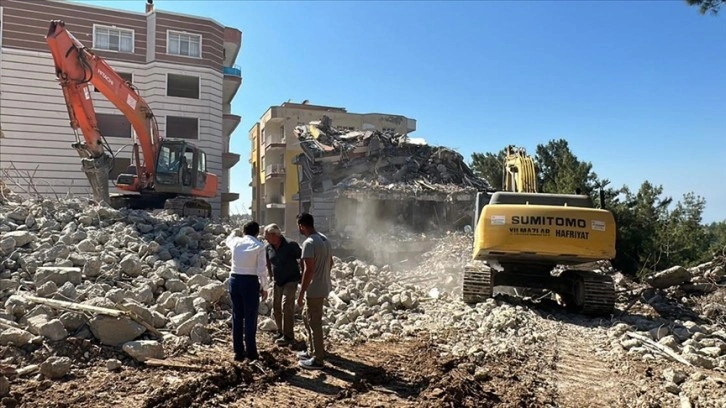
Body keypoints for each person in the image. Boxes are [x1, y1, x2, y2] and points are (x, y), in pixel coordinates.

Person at [225, 221, 269, 362]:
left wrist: (233, 232)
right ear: (257, 233)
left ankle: (238, 352)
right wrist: (265, 287)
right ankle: (251, 352)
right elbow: (262, 270)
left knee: (237, 316)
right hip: (250, 282)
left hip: (234, 280)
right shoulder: (259, 246)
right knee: (250, 317)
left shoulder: (236, 242)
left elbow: (228, 240)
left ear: (244, 232)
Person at [295, 213, 333, 370]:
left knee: (314, 322)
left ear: (302, 226)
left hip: (314, 290)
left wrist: (302, 292)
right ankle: (312, 350)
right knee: (307, 317)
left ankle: (318, 359)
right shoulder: (324, 239)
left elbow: (308, 270)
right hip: (323, 286)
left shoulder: (309, 243)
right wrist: (323, 276)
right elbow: (331, 262)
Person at [263, 223, 302, 347]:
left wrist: (302, 275)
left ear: (275, 235)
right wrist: (270, 275)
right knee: (276, 307)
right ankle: (280, 332)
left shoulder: (291, 245)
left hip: (291, 280)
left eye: (267, 235)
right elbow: (268, 262)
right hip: (278, 281)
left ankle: (288, 336)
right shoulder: (268, 247)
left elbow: (303, 259)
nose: (265, 238)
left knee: (287, 306)